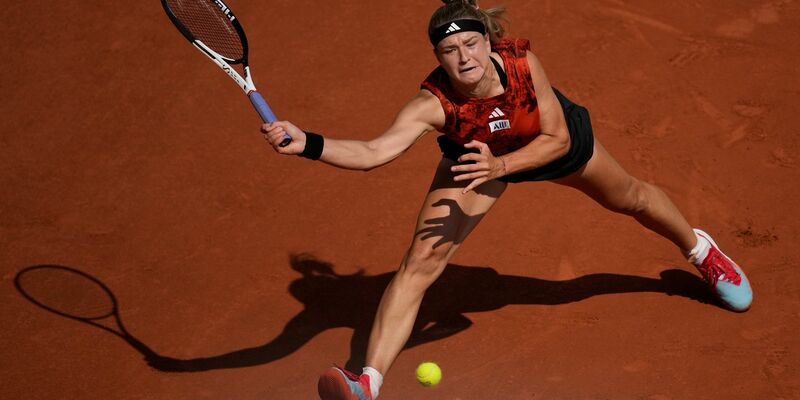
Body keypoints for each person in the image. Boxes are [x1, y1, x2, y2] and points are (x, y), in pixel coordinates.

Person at [262, 1, 753, 398]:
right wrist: (309, 142)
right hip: (475, 161)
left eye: (471, 43)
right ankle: (367, 382)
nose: (464, 57)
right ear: (438, 57)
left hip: (545, 144)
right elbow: (374, 152)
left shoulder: (522, 64)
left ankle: (702, 252)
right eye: (449, 49)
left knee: (631, 198)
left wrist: (501, 166)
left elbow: (557, 140)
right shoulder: (431, 104)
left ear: (487, 42)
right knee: (419, 264)